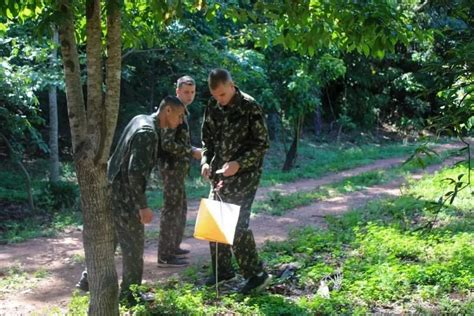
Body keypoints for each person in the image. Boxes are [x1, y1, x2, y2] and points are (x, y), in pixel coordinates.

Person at [76, 96, 185, 302]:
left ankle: (88, 279)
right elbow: (134, 173)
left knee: (112, 238)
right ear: (168, 111)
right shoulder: (148, 133)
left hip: (111, 188)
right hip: (124, 195)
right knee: (134, 247)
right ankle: (130, 294)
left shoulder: (140, 119)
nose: (180, 122)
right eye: (179, 116)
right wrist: (142, 206)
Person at [200, 68, 272, 294]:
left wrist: (239, 164)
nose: (219, 100)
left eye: (222, 94)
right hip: (219, 172)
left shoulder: (250, 107)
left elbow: (262, 144)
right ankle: (222, 271)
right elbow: (207, 140)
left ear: (232, 86)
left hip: (245, 173)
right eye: (215, 96)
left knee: (236, 226)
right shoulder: (212, 106)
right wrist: (205, 161)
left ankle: (256, 275)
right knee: (214, 220)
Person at [157, 76, 202, 267]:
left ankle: (173, 247)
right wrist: (191, 151)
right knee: (172, 210)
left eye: (192, 92)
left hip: (179, 169)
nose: (189, 95)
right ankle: (165, 255)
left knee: (181, 208)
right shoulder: (170, 111)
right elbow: (166, 143)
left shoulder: (184, 112)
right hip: (171, 168)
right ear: (177, 92)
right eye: (185, 92)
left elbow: (180, 141)